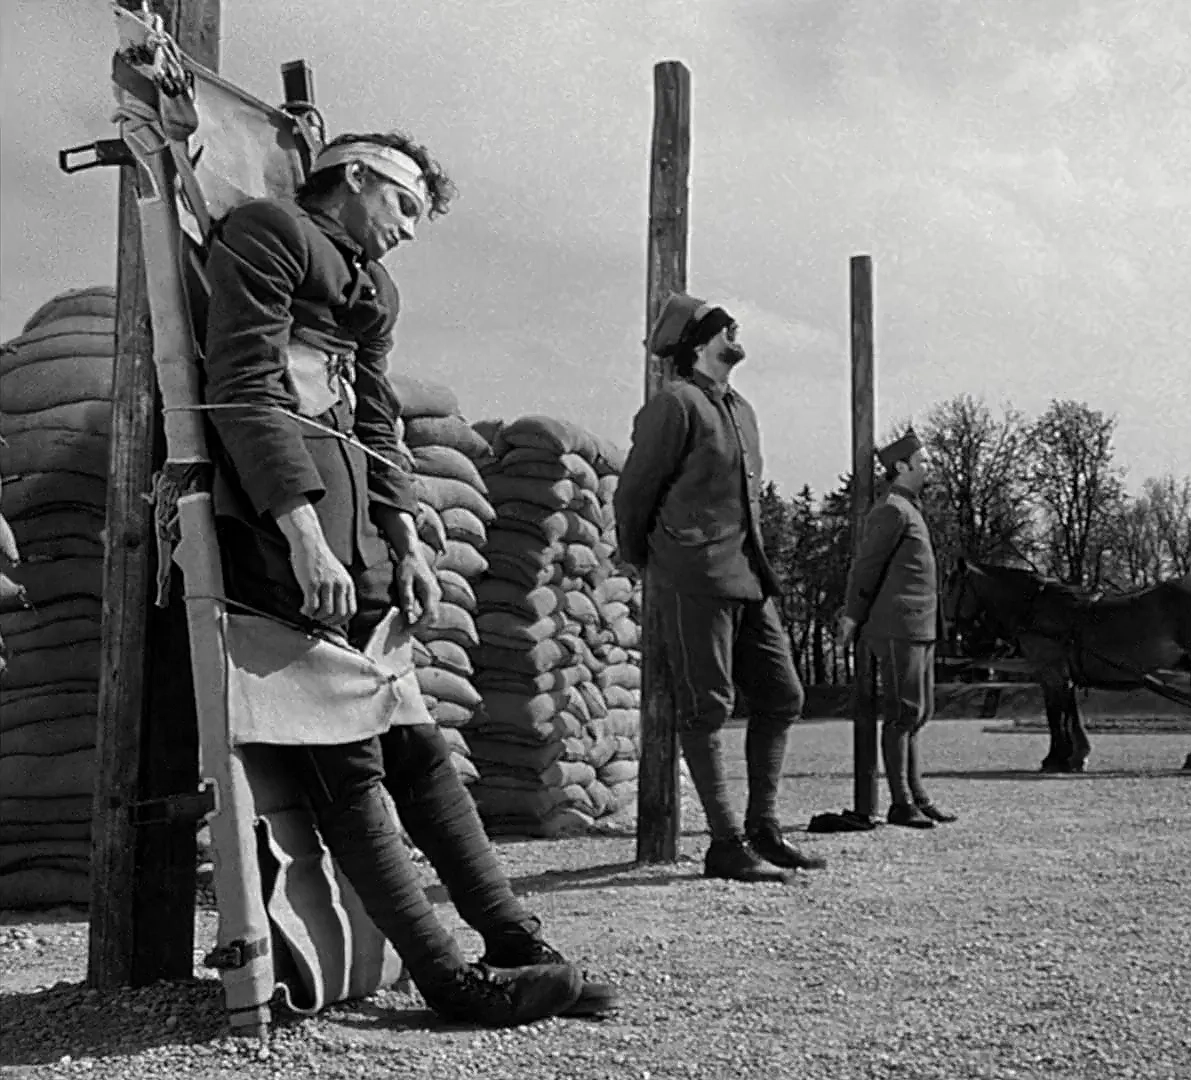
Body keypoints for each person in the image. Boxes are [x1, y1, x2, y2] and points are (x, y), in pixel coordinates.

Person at [200, 132, 616, 1027]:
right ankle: (445, 978)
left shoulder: (371, 288)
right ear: (354, 178)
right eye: (406, 207)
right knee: (348, 767)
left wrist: (410, 538)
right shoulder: (268, 233)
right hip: (283, 538)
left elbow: (377, 419)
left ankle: (511, 935)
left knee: (418, 747)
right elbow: (244, 388)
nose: (411, 231)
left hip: (363, 545)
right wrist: (302, 532)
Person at [613, 292, 825, 884]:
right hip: (694, 573)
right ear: (703, 344)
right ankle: (725, 843)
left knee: (784, 695)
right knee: (707, 706)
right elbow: (633, 495)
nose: (737, 330)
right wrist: (646, 561)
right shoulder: (675, 405)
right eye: (725, 326)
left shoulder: (741, 408)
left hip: (749, 575)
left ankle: (764, 829)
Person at [837, 430, 956, 829]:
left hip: (920, 628)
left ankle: (917, 796)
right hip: (896, 627)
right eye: (922, 462)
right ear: (901, 467)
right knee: (903, 713)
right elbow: (866, 567)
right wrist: (852, 615)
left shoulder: (910, 509)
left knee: (919, 713)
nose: (929, 468)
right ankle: (900, 803)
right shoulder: (891, 510)